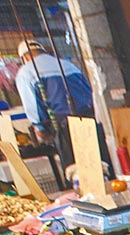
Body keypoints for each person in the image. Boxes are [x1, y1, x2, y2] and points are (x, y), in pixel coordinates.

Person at [15, 39, 94, 168]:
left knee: (74, 170)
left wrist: (40, 128)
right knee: (97, 164)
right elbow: (89, 90)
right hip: (89, 119)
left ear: (25, 57)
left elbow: (32, 106)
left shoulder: (26, 72)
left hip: (63, 126)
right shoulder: (68, 65)